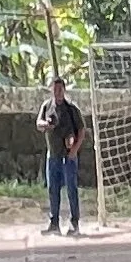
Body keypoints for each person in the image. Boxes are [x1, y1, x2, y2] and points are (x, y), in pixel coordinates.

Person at [39, 72, 84, 232]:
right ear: (51, 90)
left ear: (64, 90)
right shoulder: (46, 106)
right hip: (53, 155)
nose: (57, 92)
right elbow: (39, 123)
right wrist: (46, 124)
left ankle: (75, 222)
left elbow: (81, 130)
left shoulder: (72, 109)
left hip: (68, 156)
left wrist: (74, 150)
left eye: (60, 89)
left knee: (71, 188)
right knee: (53, 189)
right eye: (55, 89)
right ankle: (54, 222)